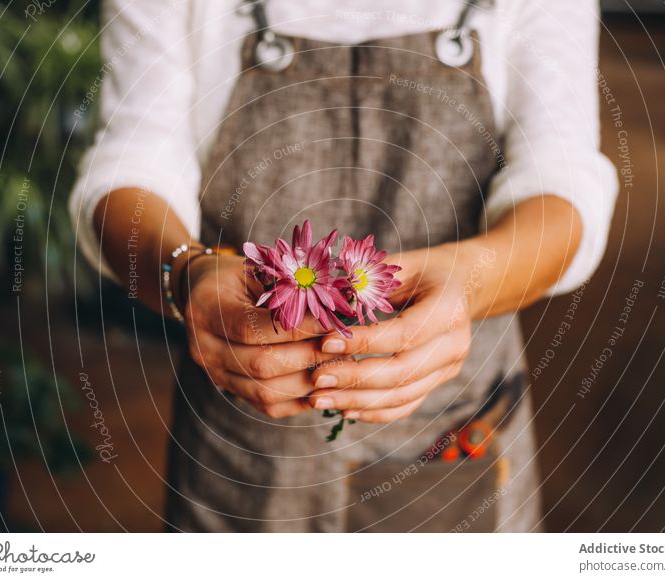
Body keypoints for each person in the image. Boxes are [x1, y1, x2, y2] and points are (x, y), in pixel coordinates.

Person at [70, 0, 618, 532]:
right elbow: (135, 155)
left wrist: (467, 281)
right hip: (240, 435)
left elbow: (562, 177)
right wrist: (185, 273)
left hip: (449, 418)